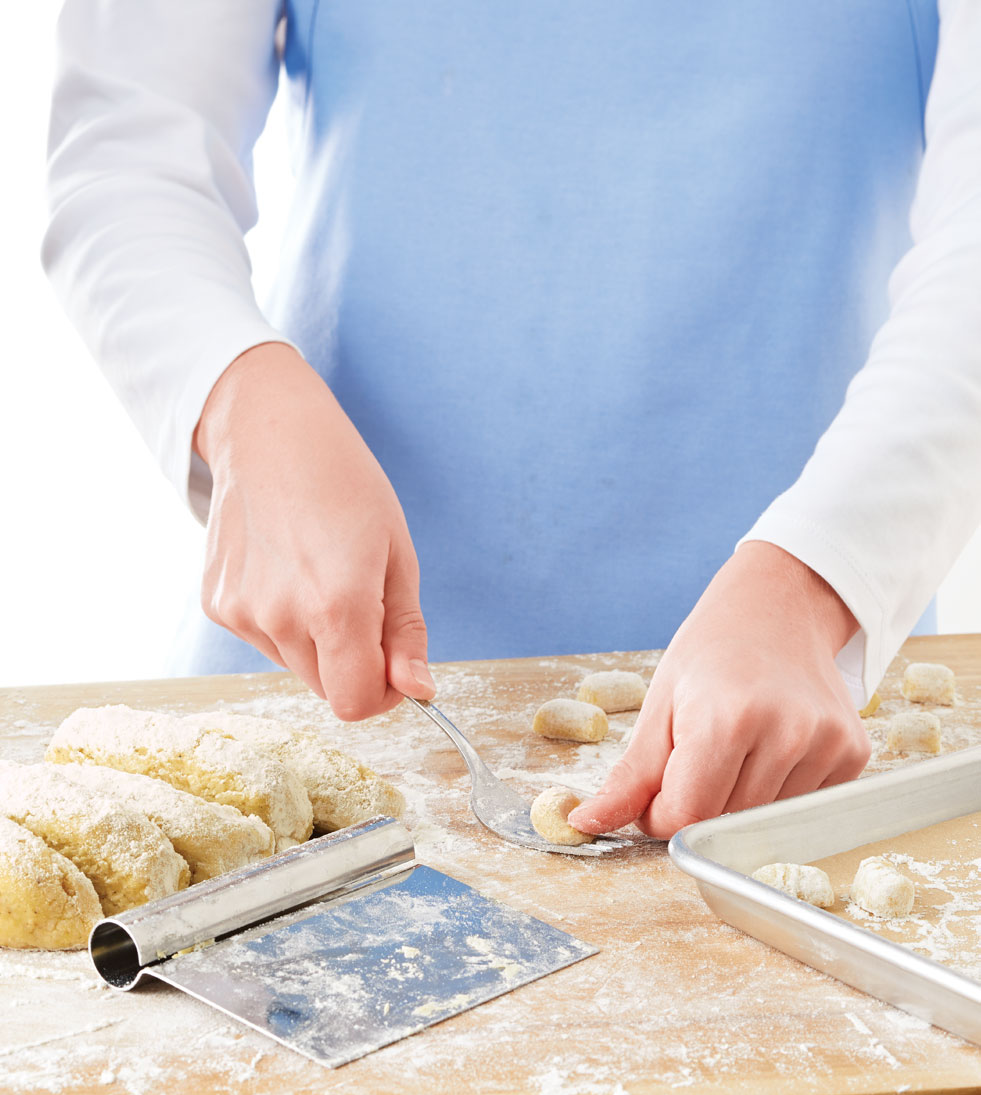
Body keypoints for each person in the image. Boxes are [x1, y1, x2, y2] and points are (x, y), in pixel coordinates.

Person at [43, 2, 981, 841]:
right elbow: (128, 152)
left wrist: (818, 579)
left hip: (801, 707)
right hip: (324, 678)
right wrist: (240, 397)